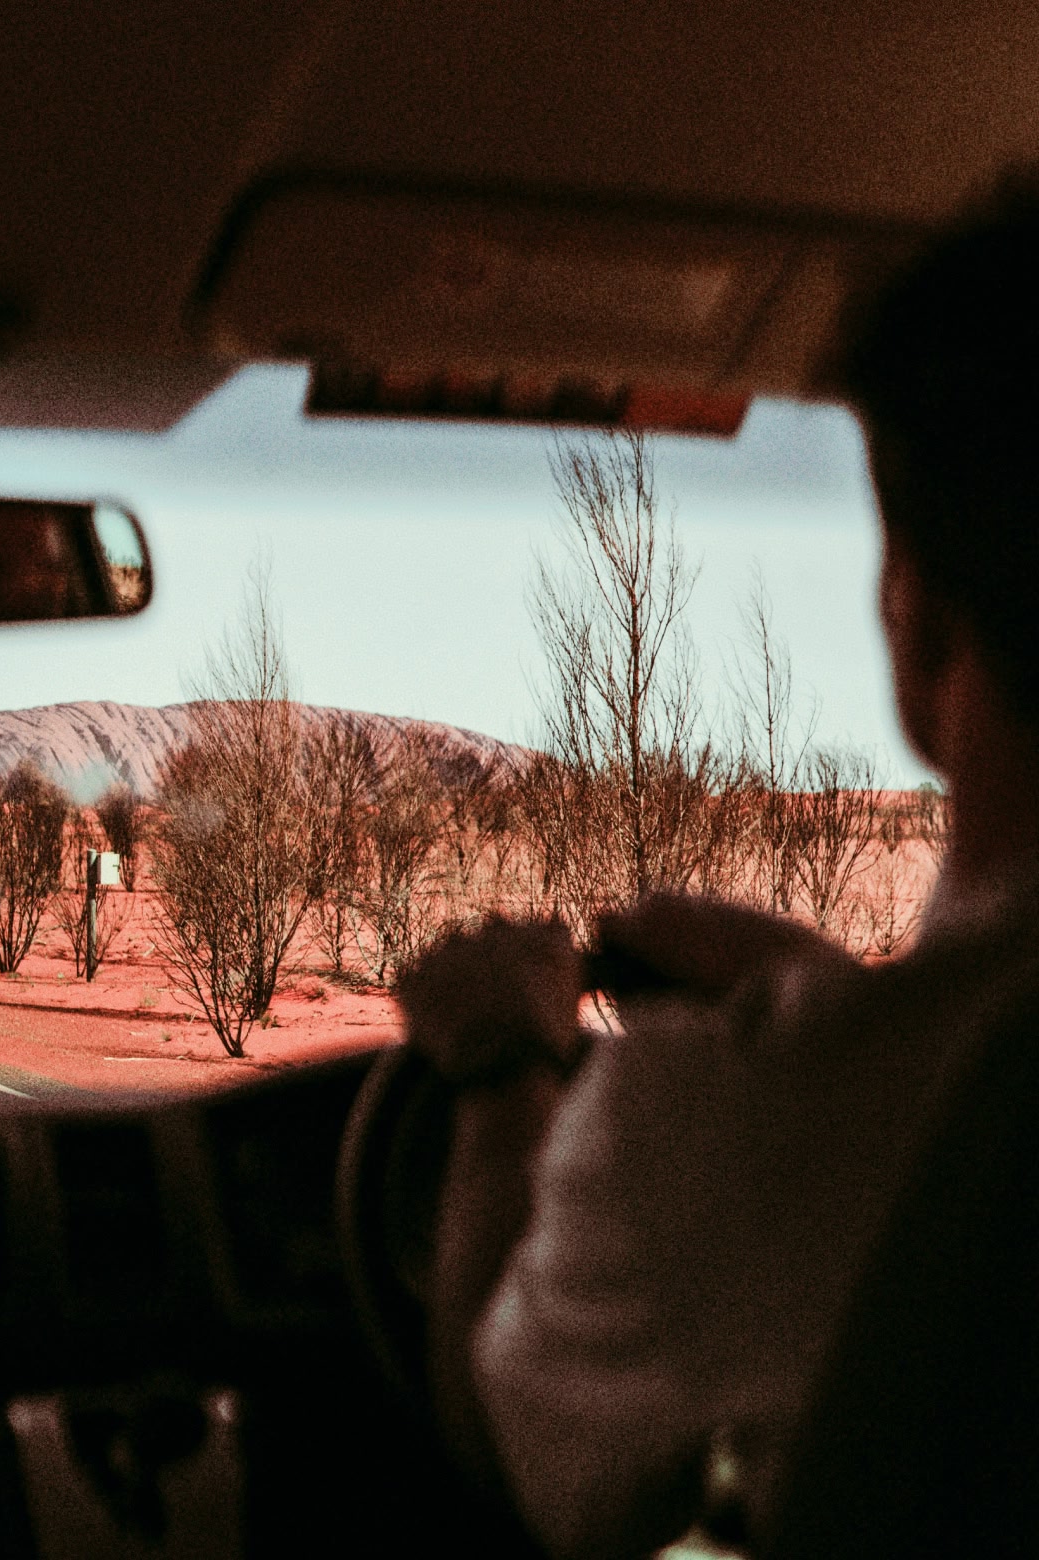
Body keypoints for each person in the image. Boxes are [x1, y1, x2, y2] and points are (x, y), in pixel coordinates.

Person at [397, 183, 1039, 1558]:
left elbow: (500, 1432)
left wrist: (501, 1071)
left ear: (917, 629)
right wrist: (826, 987)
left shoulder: (724, 1128)